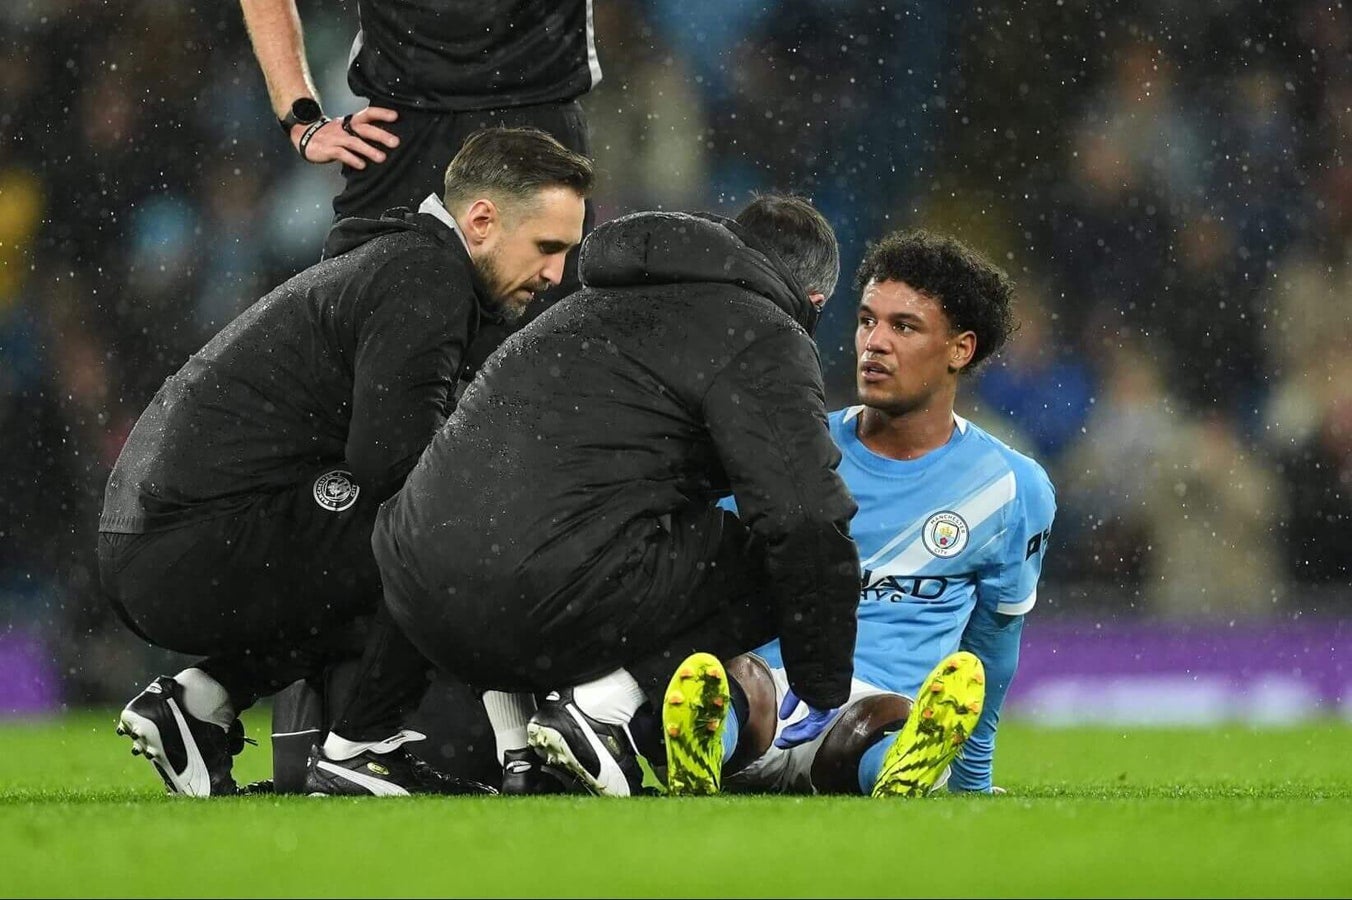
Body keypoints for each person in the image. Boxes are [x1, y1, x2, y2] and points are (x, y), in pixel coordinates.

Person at [309, 194, 862, 797]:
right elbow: (805, 517)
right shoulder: (762, 332)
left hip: (412, 588)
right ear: (815, 302)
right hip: (534, 594)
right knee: (783, 559)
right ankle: (601, 712)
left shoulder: (583, 304)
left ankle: (368, 742)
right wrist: (822, 680)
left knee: (473, 523)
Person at [100, 127, 593, 797]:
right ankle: (363, 747)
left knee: (416, 545)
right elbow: (399, 471)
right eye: (547, 247)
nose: (556, 275)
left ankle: (198, 703)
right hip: (183, 545)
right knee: (441, 532)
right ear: (481, 221)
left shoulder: (408, 263)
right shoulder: (426, 279)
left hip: (163, 540)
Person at [662, 229, 1056, 798]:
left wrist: (975, 780)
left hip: (879, 710)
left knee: (881, 725)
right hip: (774, 690)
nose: (874, 343)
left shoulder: (1011, 488)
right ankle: (704, 746)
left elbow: (993, 643)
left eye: (904, 326)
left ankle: (903, 767)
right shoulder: (792, 446)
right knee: (738, 684)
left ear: (960, 349)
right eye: (867, 319)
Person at [238, 0, 597, 283]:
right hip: (403, 131)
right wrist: (300, 113)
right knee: (363, 346)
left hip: (539, 127)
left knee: (548, 360)